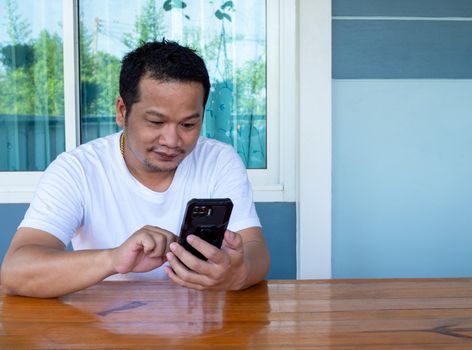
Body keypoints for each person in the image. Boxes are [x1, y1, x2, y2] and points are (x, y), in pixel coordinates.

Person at [0, 40, 270, 298]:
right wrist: (113, 259)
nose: (172, 141)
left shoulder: (219, 160)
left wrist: (237, 273)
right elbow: (15, 271)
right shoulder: (77, 169)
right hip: (104, 329)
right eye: (155, 122)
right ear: (121, 111)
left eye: (188, 125)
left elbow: (256, 250)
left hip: (200, 331)